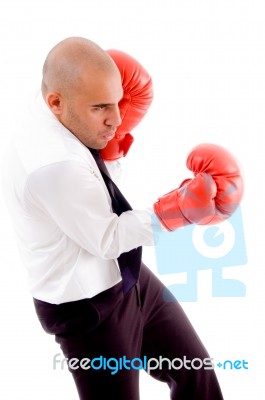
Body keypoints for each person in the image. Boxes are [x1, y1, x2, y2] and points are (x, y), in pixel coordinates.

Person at [3, 37, 243, 399]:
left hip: (127, 274)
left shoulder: (57, 102)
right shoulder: (54, 166)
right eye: (102, 107)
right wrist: (177, 211)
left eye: (116, 102)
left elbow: (97, 190)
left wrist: (111, 149)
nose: (117, 118)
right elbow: (107, 237)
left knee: (196, 372)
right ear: (56, 103)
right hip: (86, 307)